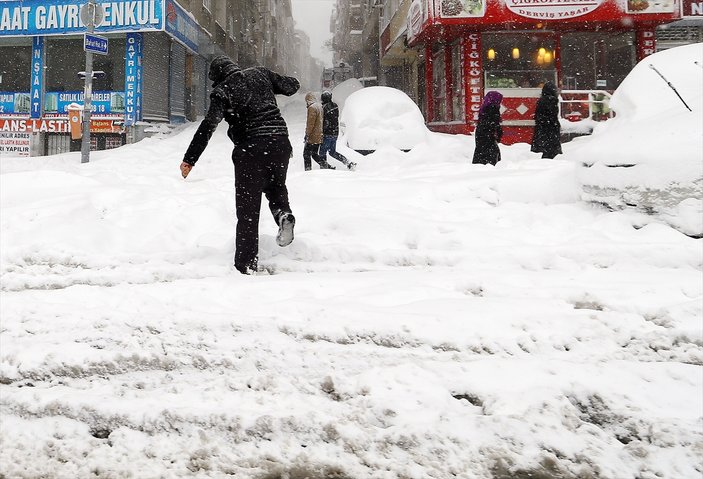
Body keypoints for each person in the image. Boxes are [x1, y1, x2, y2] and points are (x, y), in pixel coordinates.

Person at [179, 55, 300, 275]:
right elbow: (292, 86)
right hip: (280, 142)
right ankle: (283, 215)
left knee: (248, 210)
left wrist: (190, 159)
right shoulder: (260, 73)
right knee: (275, 187)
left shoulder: (222, 90)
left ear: (217, 76)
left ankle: (246, 264)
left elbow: (209, 125)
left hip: (251, 148)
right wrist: (276, 83)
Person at [320, 91, 356, 170]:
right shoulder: (335, 106)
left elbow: (324, 122)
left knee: (322, 153)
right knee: (332, 152)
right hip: (335, 132)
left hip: (327, 133)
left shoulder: (324, 108)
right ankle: (348, 162)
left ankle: (324, 169)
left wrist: (322, 131)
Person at [531, 81, 563, 159]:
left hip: (542, 128)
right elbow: (553, 115)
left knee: (546, 150)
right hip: (550, 129)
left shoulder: (541, 100)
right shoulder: (552, 100)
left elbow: (538, 115)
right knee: (551, 151)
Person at [303, 92, 335, 170]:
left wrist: (307, 134)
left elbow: (310, 124)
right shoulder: (320, 106)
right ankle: (328, 166)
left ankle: (308, 170)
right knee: (314, 154)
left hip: (313, 136)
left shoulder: (312, 108)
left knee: (306, 154)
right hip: (319, 135)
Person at [472, 91, 503, 165]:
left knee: (481, 150)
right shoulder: (493, 107)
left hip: (481, 132)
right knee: (491, 153)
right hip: (487, 133)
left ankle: (479, 164)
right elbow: (494, 122)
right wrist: (498, 133)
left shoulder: (485, 107)